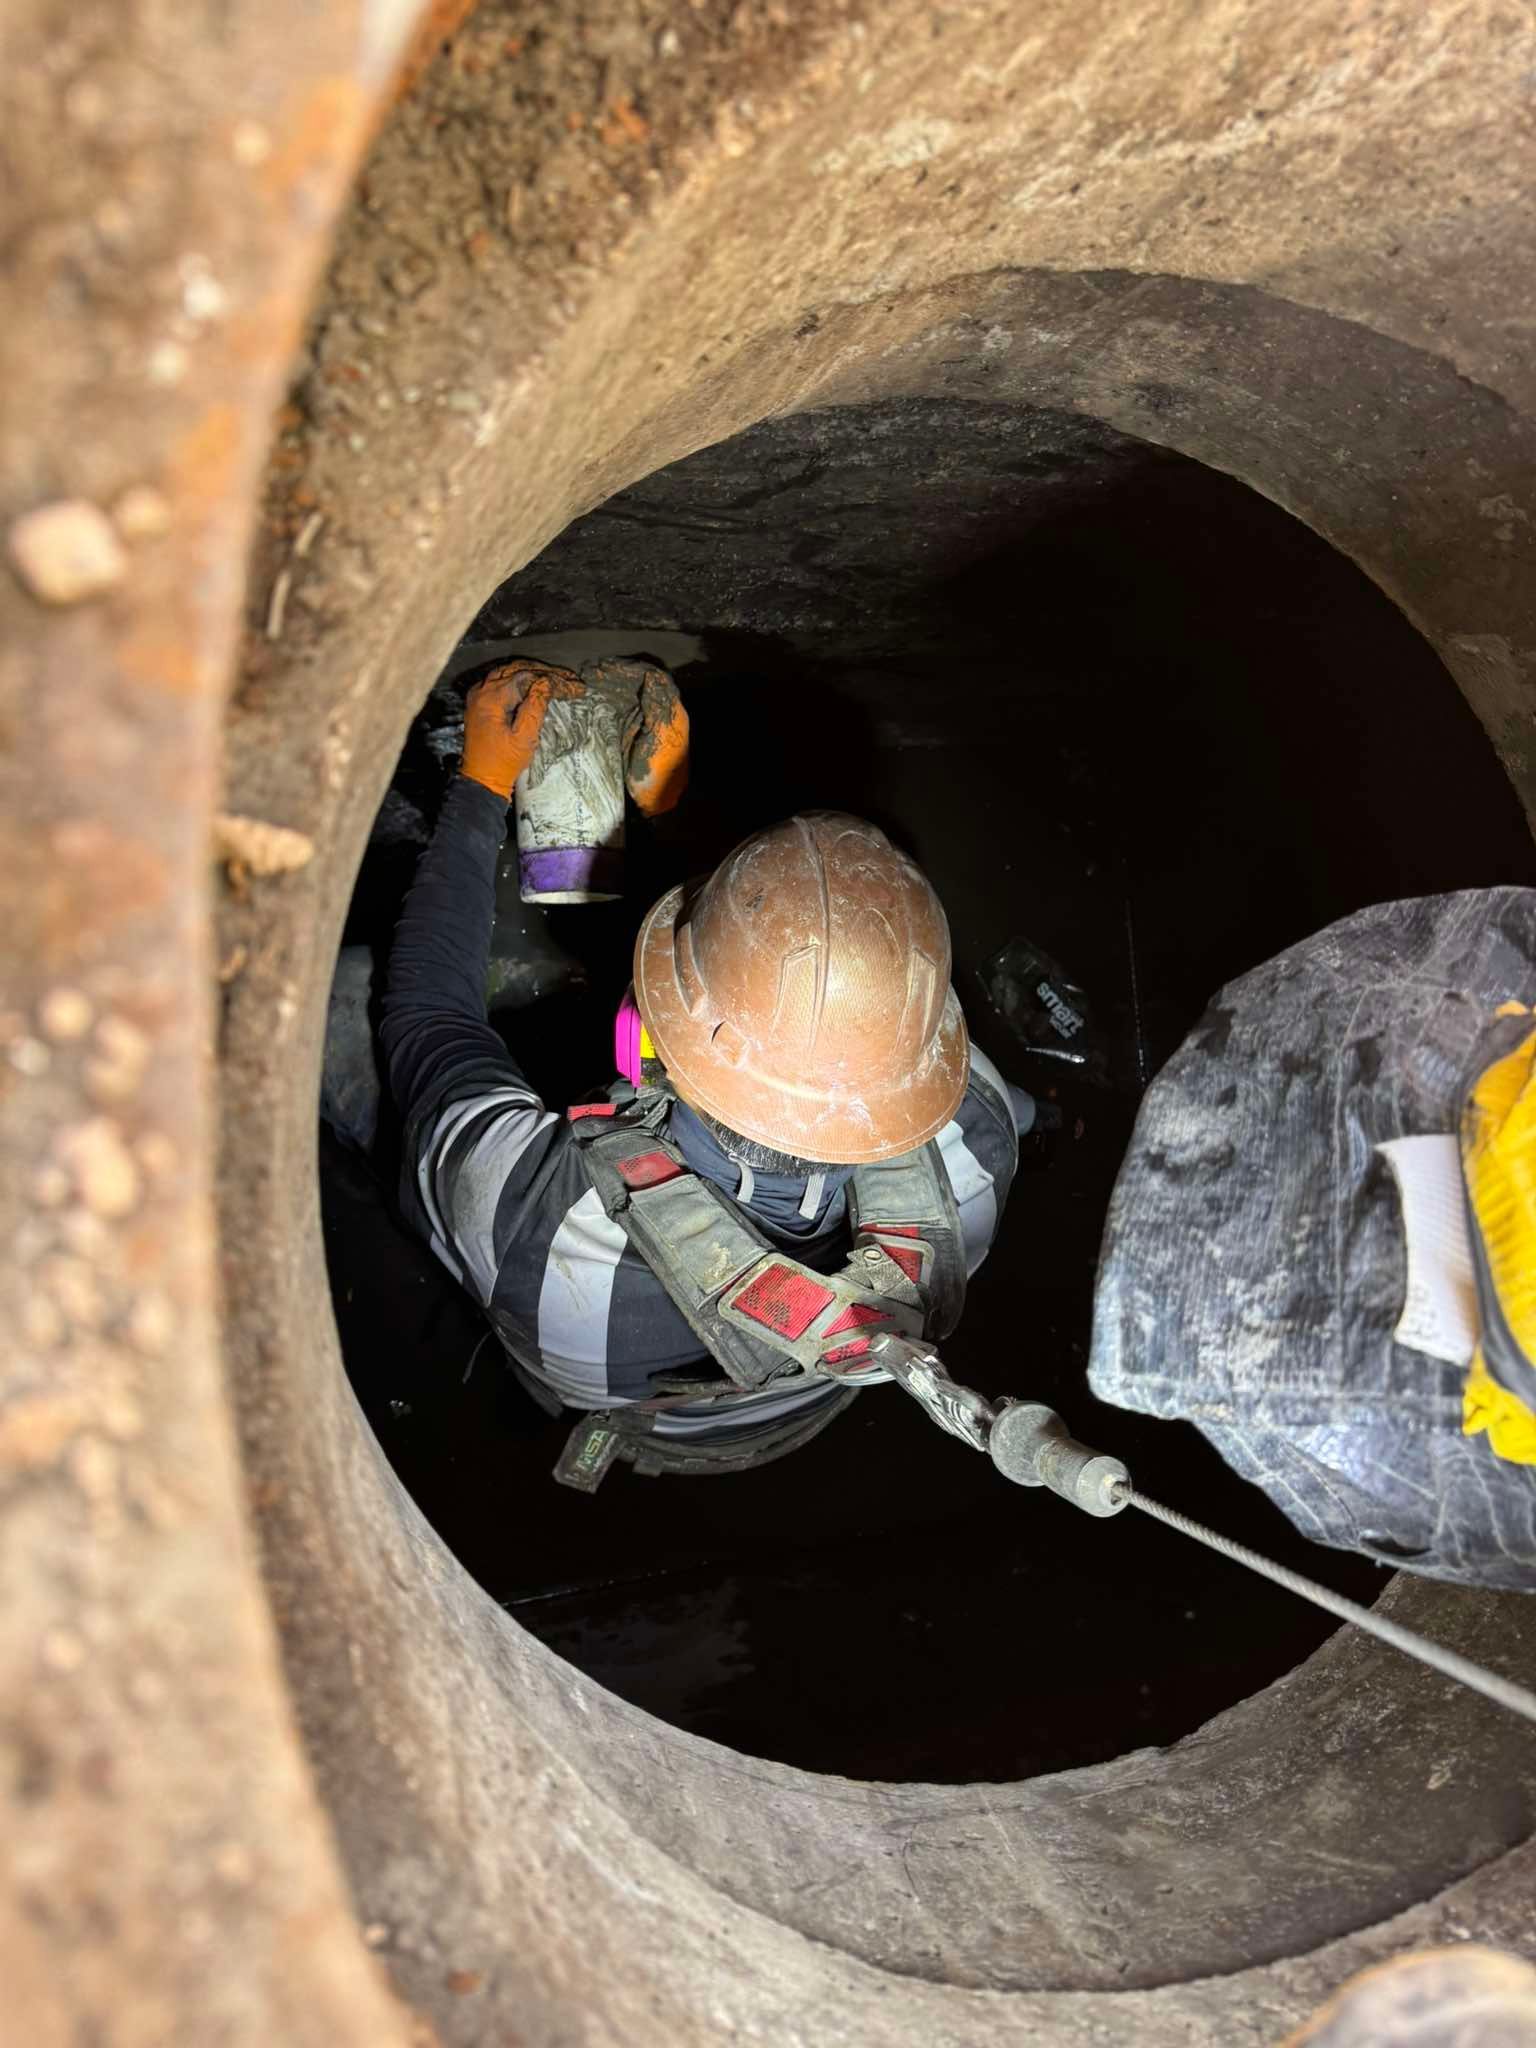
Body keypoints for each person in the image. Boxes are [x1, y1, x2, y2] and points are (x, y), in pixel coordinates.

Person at [380, 659, 1025, 1486]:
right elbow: (815, 1015)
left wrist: (478, 789)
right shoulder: (979, 1127)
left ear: (635, 1037)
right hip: (793, 1412)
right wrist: (677, 819)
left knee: (350, 1022)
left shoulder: (536, 1225)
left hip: (619, 1399)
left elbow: (426, 1020)